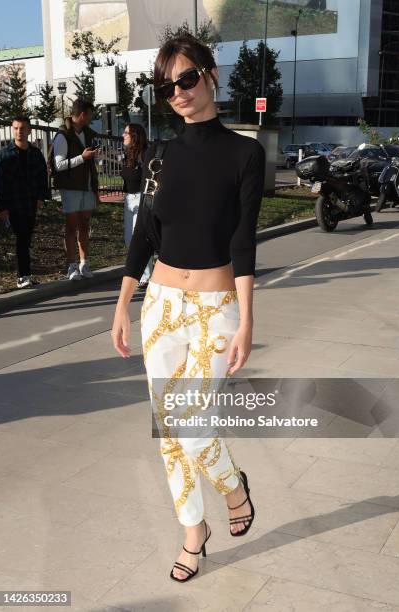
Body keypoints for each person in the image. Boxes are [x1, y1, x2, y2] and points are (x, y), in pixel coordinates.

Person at [111, 35, 265, 583]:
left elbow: (244, 241)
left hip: (216, 308)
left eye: (185, 79)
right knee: (168, 431)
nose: (177, 92)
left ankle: (233, 487)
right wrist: (125, 301)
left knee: (194, 428)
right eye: (166, 85)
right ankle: (192, 533)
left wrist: (247, 319)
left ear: (209, 73)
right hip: (161, 307)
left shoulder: (246, 152)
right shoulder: (159, 154)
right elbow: (146, 234)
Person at [0, 115, 48, 289]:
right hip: (13, 204)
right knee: (22, 238)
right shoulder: (4, 155)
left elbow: (42, 176)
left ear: (29, 130)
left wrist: (41, 197)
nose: (19, 132)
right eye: (16, 128)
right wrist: (2, 207)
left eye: (23, 128)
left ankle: (26, 274)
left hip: (30, 203)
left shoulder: (35, 153)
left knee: (26, 239)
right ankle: (22, 276)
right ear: (12, 129)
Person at [52, 99, 98, 281]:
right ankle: (71, 266)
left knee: (85, 226)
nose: (91, 119)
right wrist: (82, 157)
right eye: (90, 115)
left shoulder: (88, 134)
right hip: (71, 188)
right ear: (82, 115)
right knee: (71, 227)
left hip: (86, 187)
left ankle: (84, 263)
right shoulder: (63, 135)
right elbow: (59, 165)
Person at [121, 123, 152, 288]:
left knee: (138, 238)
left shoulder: (145, 154)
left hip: (142, 199)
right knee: (128, 239)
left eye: (126, 133)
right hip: (129, 199)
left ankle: (145, 276)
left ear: (135, 136)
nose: (123, 135)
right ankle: (144, 273)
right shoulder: (128, 155)